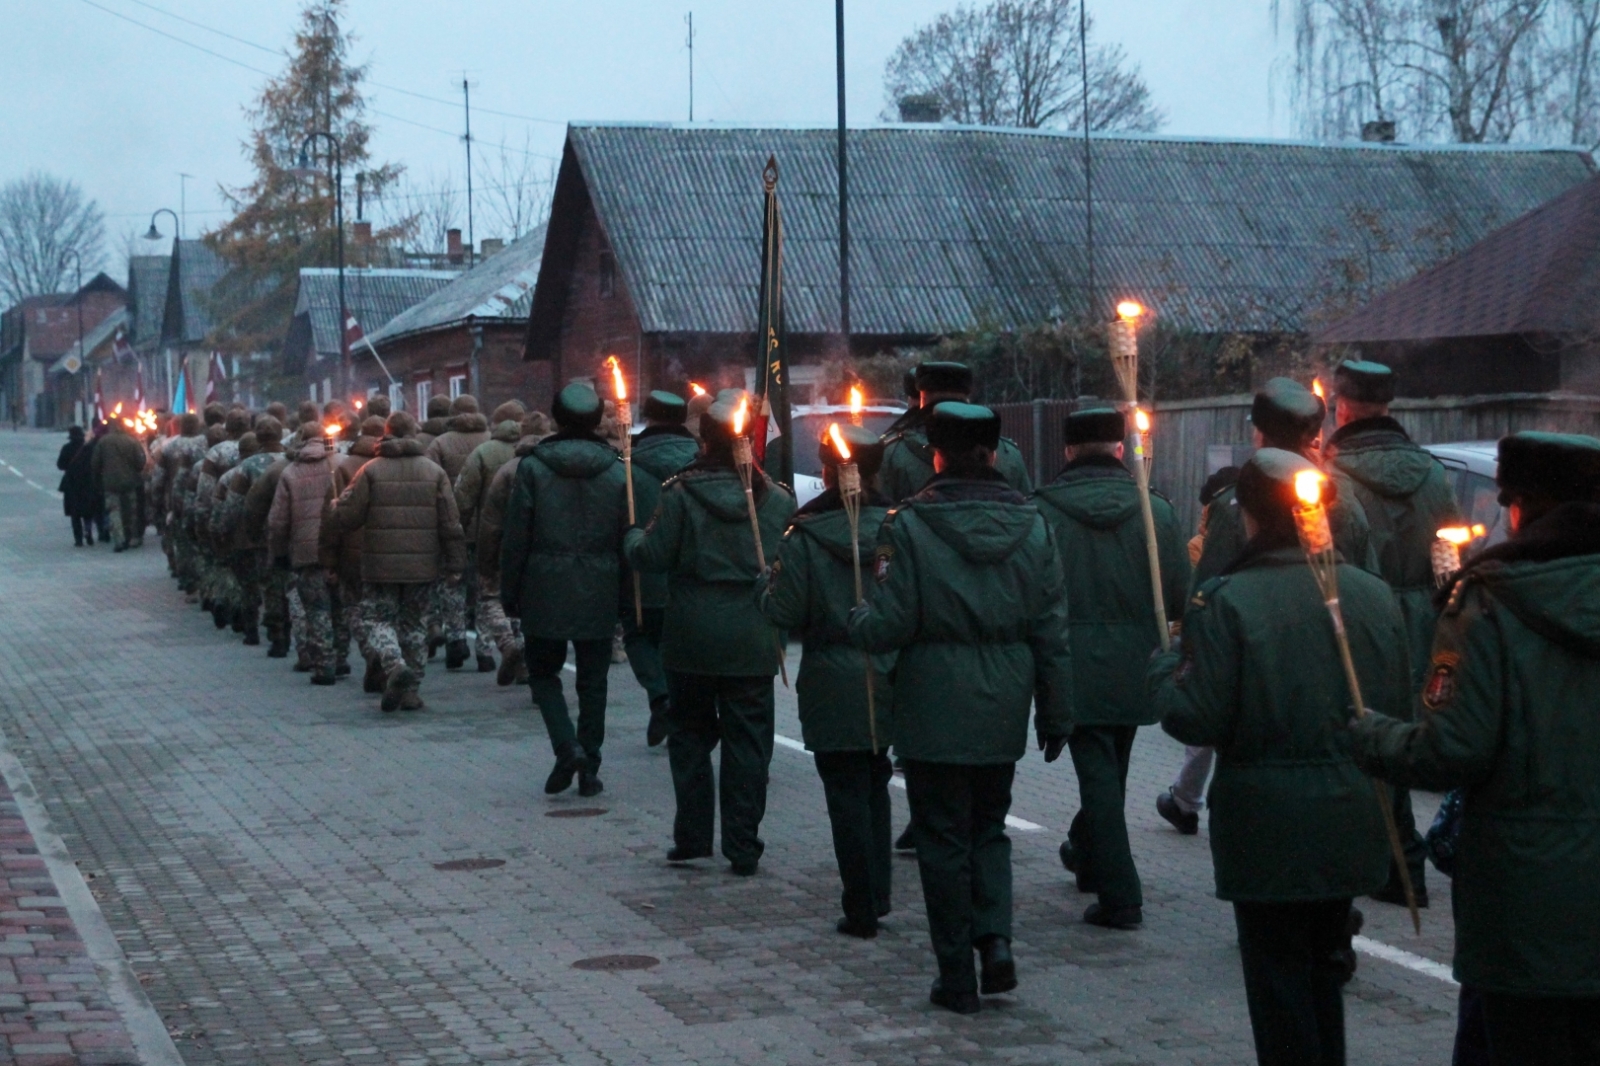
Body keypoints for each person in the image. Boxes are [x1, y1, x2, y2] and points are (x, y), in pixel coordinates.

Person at [1150, 448, 1408, 1066]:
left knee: (1279, 984)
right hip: (1352, 814)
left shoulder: (1227, 601)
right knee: (1325, 974)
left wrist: (1165, 670)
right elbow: (1399, 711)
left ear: (1246, 517)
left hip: (1267, 829)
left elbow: (1197, 717)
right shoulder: (1375, 595)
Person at [1350, 431, 1600, 1066]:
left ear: (1521, 508)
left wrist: (1373, 733)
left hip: (1524, 902)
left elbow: (1452, 752)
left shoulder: (1489, 601)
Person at [848, 402, 1073, 1015]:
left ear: (936, 453)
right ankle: (994, 939)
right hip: (1005, 699)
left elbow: (891, 623)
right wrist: (1056, 712)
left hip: (931, 701)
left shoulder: (908, 525)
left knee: (942, 839)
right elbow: (1053, 629)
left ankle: (956, 974)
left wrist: (861, 620)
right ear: (995, 452)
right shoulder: (1034, 525)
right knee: (988, 829)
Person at [1160, 377, 1376, 836]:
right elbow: (1370, 592)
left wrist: (1179, 659)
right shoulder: (1345, 503)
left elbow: (1206, 596)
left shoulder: (1240, 502)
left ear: (1258, 433)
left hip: (1259, 678)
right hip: (1334, 680)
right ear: (1312, 435)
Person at [624, 394, 796, 876]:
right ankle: (743, 843)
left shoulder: (679, 493)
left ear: (704, 440)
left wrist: (632, 537)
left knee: (692, 740)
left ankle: (694, 837)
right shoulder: (780, 499)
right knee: (749, 745)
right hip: (753, 635)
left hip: (692, 636)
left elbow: (652, 556)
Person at [1033, 406, 1190, 929]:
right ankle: (1087, 854)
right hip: (1138, 664)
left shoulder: (1043, 512)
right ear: (1120, 449)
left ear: (1069, 451)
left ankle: (1121, 894)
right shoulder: (1157, 513)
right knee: (1110, 769)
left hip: (1071, 661)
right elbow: (1178, 595)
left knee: (1100, 774)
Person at [1323, 359, 1462, 911]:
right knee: (1402, 734)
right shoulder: (1431, 472)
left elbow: (1334, 559)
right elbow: (1449, 557)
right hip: (1426, 618)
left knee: (1365, 733)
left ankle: (1401, 863)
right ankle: (1401, 862)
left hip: (1365, 614)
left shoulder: (1329, 478)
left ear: (1345, 407)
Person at [759, 422, 896, 939]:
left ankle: (860, 903)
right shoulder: (901, 527)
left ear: (826, 473)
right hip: (886, 670)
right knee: (876, 780)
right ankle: (878, 891)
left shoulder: (804, 535)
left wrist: (763, 592)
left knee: (845, 791)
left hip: (830, 674)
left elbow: (786, 611)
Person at [501, 384, 630, 797]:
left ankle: (566, 745)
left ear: (556, 418)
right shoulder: (615, 470)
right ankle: (589, 764)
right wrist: (627, 595)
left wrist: (510, 589)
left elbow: (516, 535)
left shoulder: (534, 467)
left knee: (543, 673)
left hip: (544, 586)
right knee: (593, 681)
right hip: (600, 586)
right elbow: (627, 536)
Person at [325, 411, 465, 711]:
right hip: (423, 566)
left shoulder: (371, 470)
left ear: (386, 433)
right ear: (413, 432)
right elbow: (450, 523)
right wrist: (455, 565)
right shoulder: (434, 471)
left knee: (378, 619)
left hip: (379, 566)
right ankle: (411, 690)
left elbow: (348, 518)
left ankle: (393, 663)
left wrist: (336, 506)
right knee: (415, 624)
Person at [623, 391, 700, 746]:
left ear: (648, 417)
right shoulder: (702, 461)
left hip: (644, 573)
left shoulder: (628, 463)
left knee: (640, 636)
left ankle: (660, 696)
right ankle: (676, 707)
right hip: (690, 575)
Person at [475, 411, 554, 687]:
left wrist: (485, 561)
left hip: (511, 548)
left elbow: (491, 521)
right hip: (552, 553)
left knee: (493, 599)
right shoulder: (559, 466)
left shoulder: (509, 470)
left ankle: (509, 645)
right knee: (534, 609)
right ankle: (528, 667)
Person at [878, 362, 1032, 503]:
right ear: (967, 396)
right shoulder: (1009, 453)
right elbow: (1027, 515)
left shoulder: (890, 454)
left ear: (920, 397)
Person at [453, 400, 526, 674]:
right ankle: (521, 650)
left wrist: (456, 532)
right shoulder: (544, 452)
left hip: (489, 534)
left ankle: (489, 650)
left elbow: (463, 498)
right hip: (533, 538)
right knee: (523, 595)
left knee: (489, 593)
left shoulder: (483, 452)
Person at [268, 423, 340, 685]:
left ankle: (324, 666)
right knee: (341, 606)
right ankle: (342, 658)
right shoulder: (337, 464)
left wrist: (278, 552)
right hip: (339, 548)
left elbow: (277, 521)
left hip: (306, 550)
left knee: (317, 609)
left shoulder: (290, 473)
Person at [326, 416, 385, 690]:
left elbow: (336, 517)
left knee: (355, 608)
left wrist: (330, 559)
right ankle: (391, 655)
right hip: (393, 551)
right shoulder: (407, 464)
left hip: (354, 550)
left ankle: (372, 650)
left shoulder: (345, 466)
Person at [216, 418, 284, 647]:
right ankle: (279, 634)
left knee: (249, 584)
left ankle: (251, 630)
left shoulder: (247, 466)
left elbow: (233, 504)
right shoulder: (291, 461)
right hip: (285, 534)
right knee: (277, 585)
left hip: (250, 536)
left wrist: (225, 531)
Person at [58, 425, 97, 546]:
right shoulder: (89, 448)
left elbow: (60, 465)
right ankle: (88, 531)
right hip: (88, 482)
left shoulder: (66, 448)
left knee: (75, 513)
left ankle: (78, 539)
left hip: (72, 484)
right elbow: (95, 463)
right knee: (88, 510)